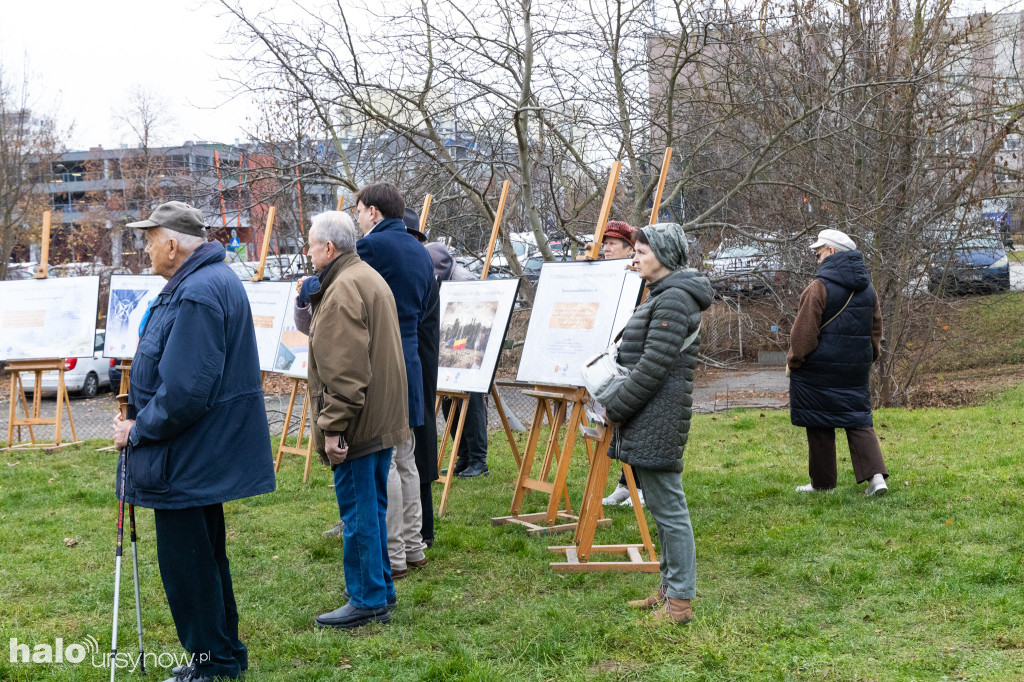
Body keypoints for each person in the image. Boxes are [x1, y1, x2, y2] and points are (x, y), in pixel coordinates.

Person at [111, 201, 276, 682]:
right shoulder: (203, 282)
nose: (145, 249)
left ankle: (212, 663)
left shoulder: (199, 291)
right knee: (205, 559)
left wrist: (138, 429)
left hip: (186, 457)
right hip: (195, 454)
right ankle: (223, 656)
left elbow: (186, 391)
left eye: (149, 239)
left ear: (172, 243)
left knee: (189, 567)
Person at [601, 223, 712, 626]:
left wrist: (615, 407)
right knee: (663, 509)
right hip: (650, 413)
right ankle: (669, 589)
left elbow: (651, 369)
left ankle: (679, 603)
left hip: (658, 414)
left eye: (641, 252)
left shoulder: (674, 299)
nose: (634, 257)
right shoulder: (664, 294)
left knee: (670, 510)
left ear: (663, 256)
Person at [304, 211, 411, 629]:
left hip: (358, 424)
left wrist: (334, 427)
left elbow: (345, 373)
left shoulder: (343, 289)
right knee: (372, 506)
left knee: (359, 513)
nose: (308, 252)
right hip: (380, 417)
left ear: (329, 248)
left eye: (312, 244)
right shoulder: (365, 276)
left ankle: (368, 598)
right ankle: (380, 588)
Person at [353, 182, 436, 579]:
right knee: (406, 459)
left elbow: (343, 286)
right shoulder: (421, 251)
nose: (357, 219)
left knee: (386, 459)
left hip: (383, 362)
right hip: (411, 362)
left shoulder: (371, 247)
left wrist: (309, 287)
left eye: (358, 211)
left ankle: (395, 555)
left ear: (373, 212)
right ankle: (414, 547)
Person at [788, 228, 889, 496]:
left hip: (818, 370)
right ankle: (876, 478)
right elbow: (876, 330)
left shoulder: (818, 287)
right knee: (858, 421)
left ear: (831, 252)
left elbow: (803, 335)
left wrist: (795, 360)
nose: (817, 258)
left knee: (819, 421)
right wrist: (868, 358)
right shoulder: (868, 289)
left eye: (819, 253)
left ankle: (822, 483)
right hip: (854, 369)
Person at [425, 242, 491, 478]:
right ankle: (463, 457)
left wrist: (456, 345)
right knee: (448, 402)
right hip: (450, 348)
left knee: (471, 405)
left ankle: (478, 460)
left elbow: (474, 325)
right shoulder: (440, 277)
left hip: (470, 351)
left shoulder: (465, 282)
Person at [596, 220, 646, 508]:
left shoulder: (638, 279)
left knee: (636, 423)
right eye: (605, 244)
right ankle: (626, 483)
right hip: (611, 359)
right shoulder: (608, 278)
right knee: (618, 425)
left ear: (629, 249)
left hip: (634, 360)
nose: (606, 249)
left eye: (612, 244)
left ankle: (640, 484)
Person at [404, 209, 441, 545]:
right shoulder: (418, 264)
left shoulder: (418, 267)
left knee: (420, 441)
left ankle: (422, 529)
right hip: (417, 362)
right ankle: (418, 529)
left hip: (418, 364)